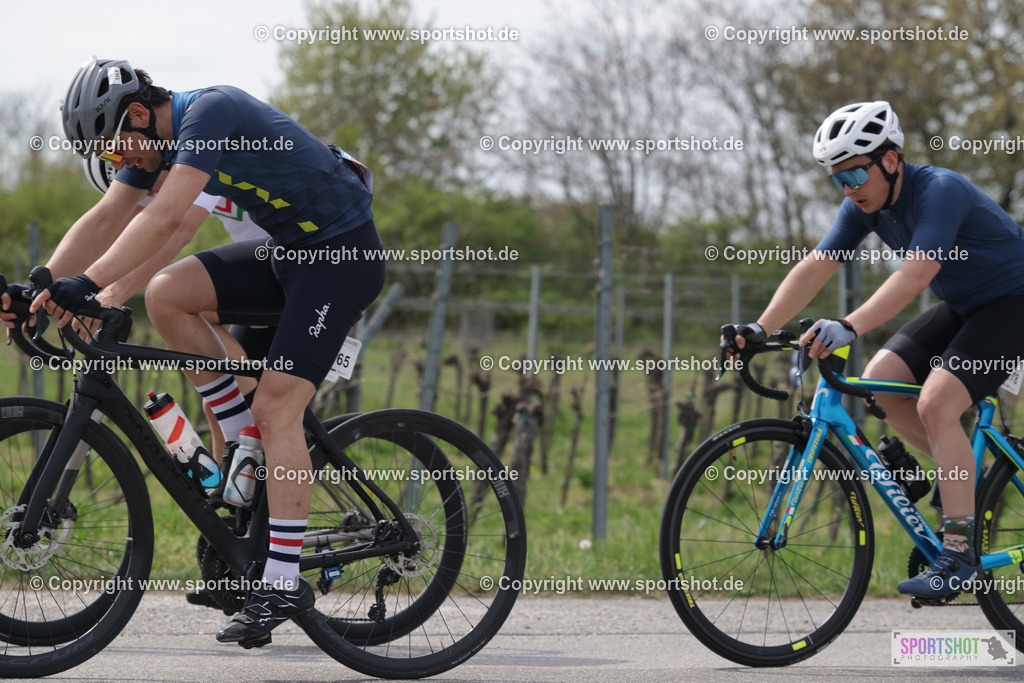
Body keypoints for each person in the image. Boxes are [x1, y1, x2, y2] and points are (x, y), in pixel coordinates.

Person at [25, 56, 386, 645]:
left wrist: (90, 286)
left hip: (340, 258)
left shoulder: (211, 111)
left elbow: (170, 220)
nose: (119, 164)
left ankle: (282, 578)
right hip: (289, 254)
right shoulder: (151, 145)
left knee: (277, 410)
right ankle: (244, 439)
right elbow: (107, 215)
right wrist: (35, 286)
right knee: (168, 295)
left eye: (116, 150)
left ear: (139, 114)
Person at [729, 100, 1024, 599]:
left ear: (890, 160)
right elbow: (816, 266)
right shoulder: (864, 204)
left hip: (1014, 302)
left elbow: (915, 276)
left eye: (855, 175)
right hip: (965, 304)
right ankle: (961, 481)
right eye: (837, 180)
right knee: (882, 387)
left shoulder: (941, 192)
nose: (849, 189)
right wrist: (759, 328)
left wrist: (848, 324)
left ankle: (959, 551)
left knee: (936, 403)